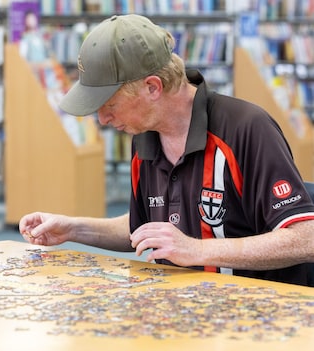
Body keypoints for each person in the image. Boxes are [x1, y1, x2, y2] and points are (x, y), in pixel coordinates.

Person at [19, 14, 314, 287]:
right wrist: (73, 229)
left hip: (259, 320)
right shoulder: (144, 136)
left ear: (152, 87)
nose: (103, 120)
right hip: (179, 312)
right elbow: (146, 226)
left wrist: (196, 250)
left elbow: (306, 238)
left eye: (109, 105)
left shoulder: (246, 128)